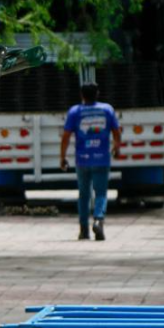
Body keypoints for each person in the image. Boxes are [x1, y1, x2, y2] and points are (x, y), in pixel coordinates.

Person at [60, 82, 121, 241]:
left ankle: (83, 230)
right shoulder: (107, 109)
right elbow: (116, 131)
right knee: (101, 192)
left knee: (84, 194)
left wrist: (62, 157)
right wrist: (116, 148)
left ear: (82, 95)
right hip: (102, 158)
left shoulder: (75, 111)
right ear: (97, 94)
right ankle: (99, 220)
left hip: (83, 159)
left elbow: (66, 136)